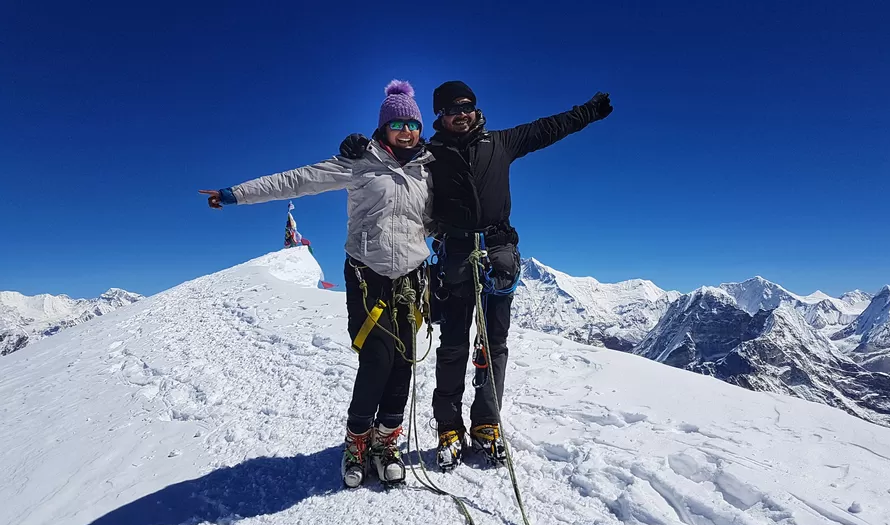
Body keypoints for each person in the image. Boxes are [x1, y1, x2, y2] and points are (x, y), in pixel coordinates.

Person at [340, 81, 612, 471]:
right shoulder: (429, 153)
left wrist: (589, 111)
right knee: (453, 347)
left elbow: (549, 128)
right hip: (454, 256)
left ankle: (486, 423)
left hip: (498, 255)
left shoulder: (502, 142)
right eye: (452, 109)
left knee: (493, 345)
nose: (461, 114)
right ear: (439, 116)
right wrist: (360, 144)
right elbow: (392, 151)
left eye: (466, 106)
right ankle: (448, 426)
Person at [201, 80, 434, 488]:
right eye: (397, 123)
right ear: (384, 127)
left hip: (411, 278)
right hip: (368, 277)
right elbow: (297, 180)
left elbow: (440, 213)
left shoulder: (427, 168)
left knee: (404, 362)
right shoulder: (360, 161)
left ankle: (386, 440)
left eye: (412, 124)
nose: (406, 131)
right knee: (378, 359)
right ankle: (357, 441)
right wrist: (235, 194)